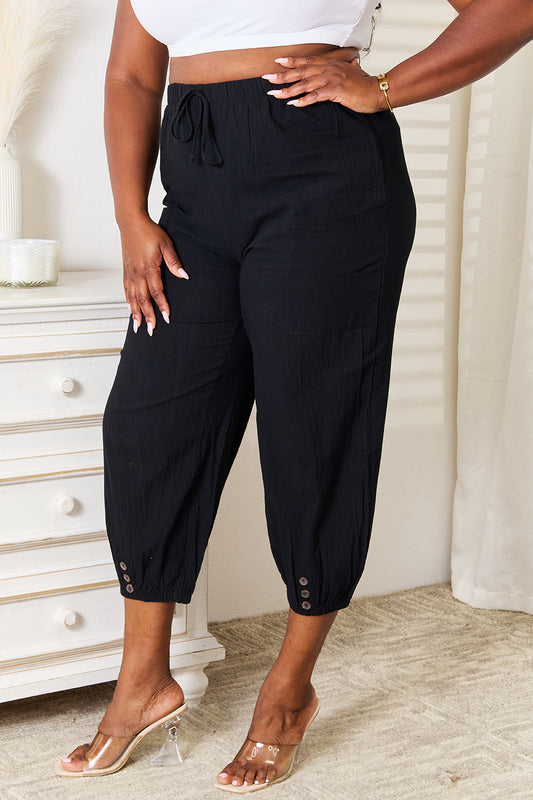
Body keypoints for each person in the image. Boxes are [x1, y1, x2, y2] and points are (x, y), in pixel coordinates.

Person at [55, 0, 533, 791]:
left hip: (326, 181)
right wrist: (130, 216)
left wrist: (383, 88)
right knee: (149, 428)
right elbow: (132, 77)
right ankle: (143, 681)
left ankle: (289, 692)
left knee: (312, 432)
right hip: (194, 194)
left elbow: (509, 11)